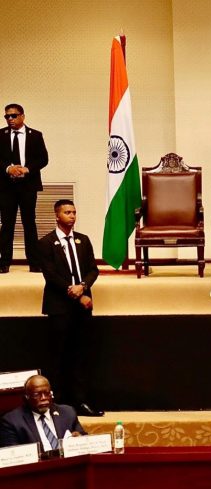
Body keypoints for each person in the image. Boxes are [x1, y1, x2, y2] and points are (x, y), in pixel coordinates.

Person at [38, 199, 103, 417]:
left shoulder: (83, 241)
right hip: (59, 308)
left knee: (80, 356)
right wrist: (73, 291)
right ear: (57, 216)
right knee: (57, 356)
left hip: (82, 308)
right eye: (67, 212)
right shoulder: (46, 243)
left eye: (74, 212)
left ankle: (81, 402)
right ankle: (54, 405)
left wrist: (83, 287)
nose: (72, 216)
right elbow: (50, 275)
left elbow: (93, 270)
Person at [0, 103, 49, 273]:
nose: (10, 119)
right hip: (5, 187)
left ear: (22, 116)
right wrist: (8, 169)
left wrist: (27, 169)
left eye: (13, 116)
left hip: (28, 186)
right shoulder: (0, 135)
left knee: (29, 223)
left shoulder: (35, 135)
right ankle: (4, 262)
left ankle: (34, 262)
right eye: (7, 116)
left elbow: (43, 159)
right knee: (7, 224)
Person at [0, 375, 86, 450]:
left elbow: (84, 438)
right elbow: (13, 455)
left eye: (47, 393)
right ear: (27, 397)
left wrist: (80, 439)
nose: (44, 398)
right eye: (37, 395)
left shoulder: (67, 413)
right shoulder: (11, 421)